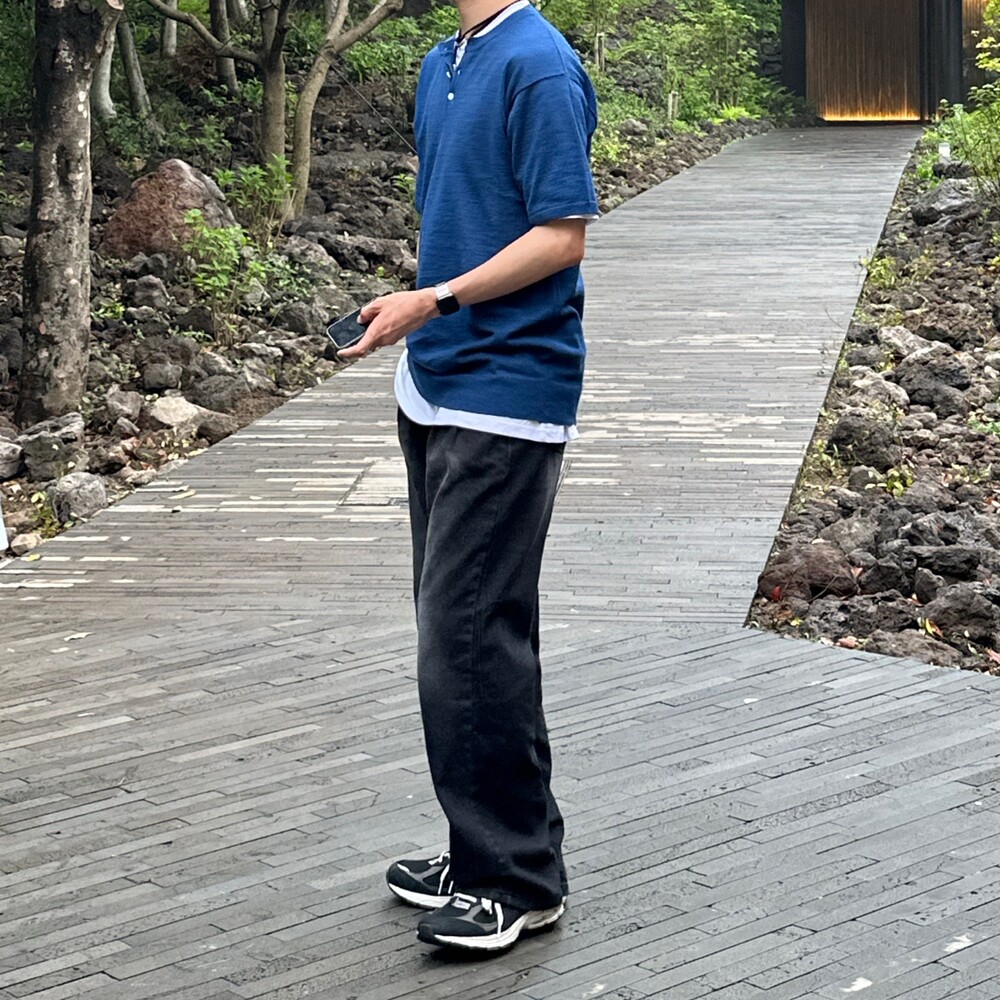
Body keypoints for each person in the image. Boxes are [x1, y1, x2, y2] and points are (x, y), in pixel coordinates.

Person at [338, 0, 599, 952]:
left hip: (508, 389)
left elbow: (562, 233)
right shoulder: (443, 60)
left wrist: (435, 299)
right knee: (463, 636)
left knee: (470, 640)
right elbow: (456, 212)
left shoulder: (539, 65)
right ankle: (485, 846)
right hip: (435, 382)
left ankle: (516, 879)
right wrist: (418, 312)